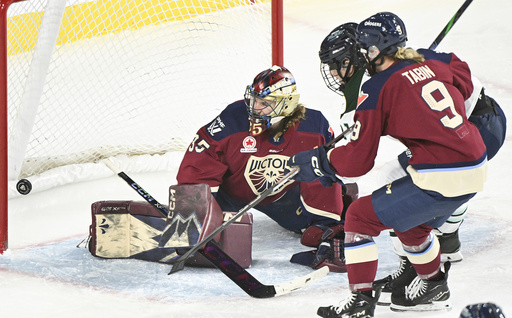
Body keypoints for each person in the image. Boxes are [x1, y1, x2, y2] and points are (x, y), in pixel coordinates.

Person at [288, 12, 489, 317]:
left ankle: (360, 303)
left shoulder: (376, 90)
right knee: (410, 227)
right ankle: (434, 286)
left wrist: (321, 162)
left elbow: (357, 161)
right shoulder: (431, 62)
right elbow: (460, 70)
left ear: (372, 51)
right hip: (476, 163)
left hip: (440, 173)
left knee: (358, 217)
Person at [176, 65, 351, 272]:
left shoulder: (313, 126)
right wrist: (194, 210)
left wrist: (328, 218)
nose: (254, 107)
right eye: (254, 99)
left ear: (286, 104)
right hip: (231, 195)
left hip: (284, 199)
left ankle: (332, 226)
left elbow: (328, 170)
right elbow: (199, 159)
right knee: (196, 206)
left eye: (264, 103)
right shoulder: (233, 119)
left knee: (320, 168)